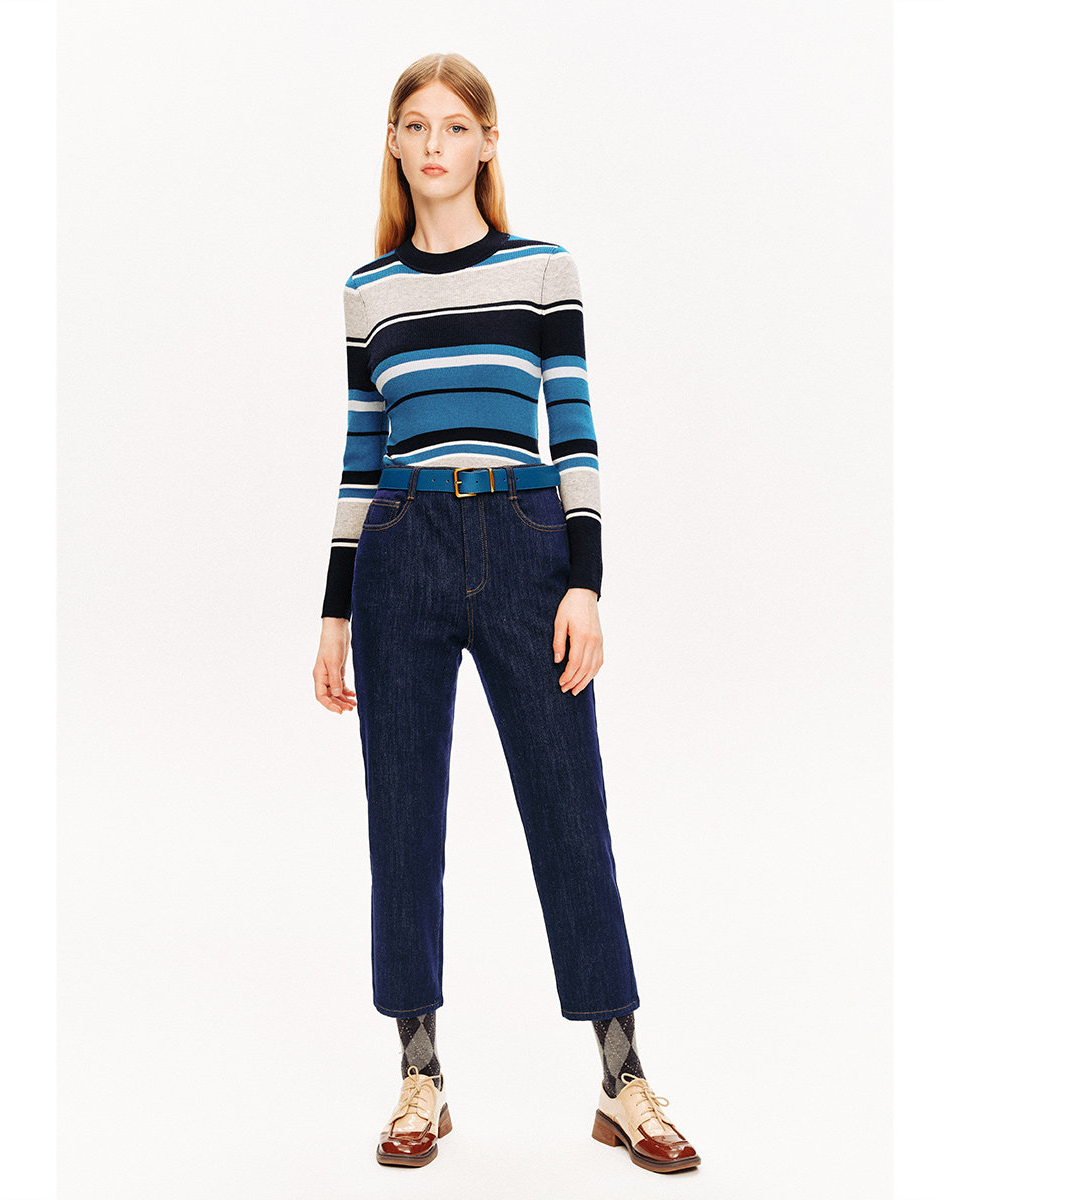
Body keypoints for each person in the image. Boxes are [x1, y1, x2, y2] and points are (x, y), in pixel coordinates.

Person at [311, 52, 700, 1175]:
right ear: (394, 143)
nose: (434, 144)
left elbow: (573, 429)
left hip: (528, 546)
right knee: (402, 818)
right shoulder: (368, 291)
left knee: (570, 810)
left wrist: (586, 582)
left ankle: (622, 1078)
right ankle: (419, 1075)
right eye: (414, 125)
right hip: (400, 548)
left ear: (487, 142)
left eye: (455, 126)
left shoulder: (542, 270)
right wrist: (333, 612)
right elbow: (360, 453)